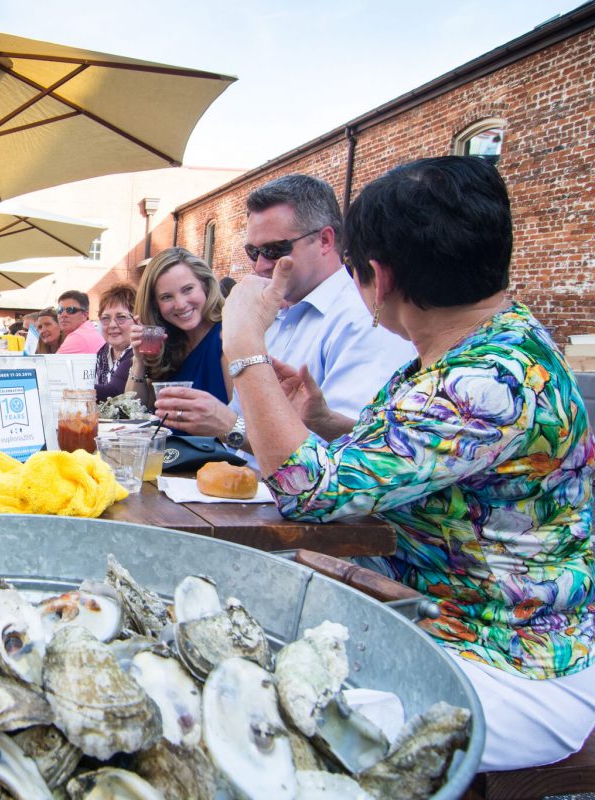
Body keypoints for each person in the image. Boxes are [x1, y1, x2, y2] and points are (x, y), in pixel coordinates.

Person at [223, 156, 595, 772]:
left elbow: (310, 493)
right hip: (441, 626)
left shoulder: (485, 380)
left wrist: (244, 346)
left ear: (377, 275)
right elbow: (442, 457)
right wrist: (328, 423)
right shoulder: (491, 342)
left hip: (510, 666)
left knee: (262, 720)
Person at [154, 174, 413, 446]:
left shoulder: (363, 320)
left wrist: (228, 425)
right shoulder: (273, 313)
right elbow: (244, 421)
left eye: (275, 250)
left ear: (325, 240)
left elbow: (347, 456)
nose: (260, 265)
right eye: (253, 252)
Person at [127, 248, 230, 406]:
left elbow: (248, 421)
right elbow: (135, 410)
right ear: (155, 305)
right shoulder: (167, 343)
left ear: (206, 286)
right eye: (166, 297)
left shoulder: (227, 339)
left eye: (188, 289)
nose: (180, 304)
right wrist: (139, 361)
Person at [94, 283, 137, 401]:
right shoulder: (103, 352)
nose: (112, 325)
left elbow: (114, 393)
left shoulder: (137, 353)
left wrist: (68, 387)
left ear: (137, 320)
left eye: (121, 317)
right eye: (106, 318)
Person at [55, 290, 105, 354]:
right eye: (60, 310)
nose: (63, 315)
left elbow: (49, 364)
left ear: (84, 315)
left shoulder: (78, 337)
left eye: (70, 310)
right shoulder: (89, 331)